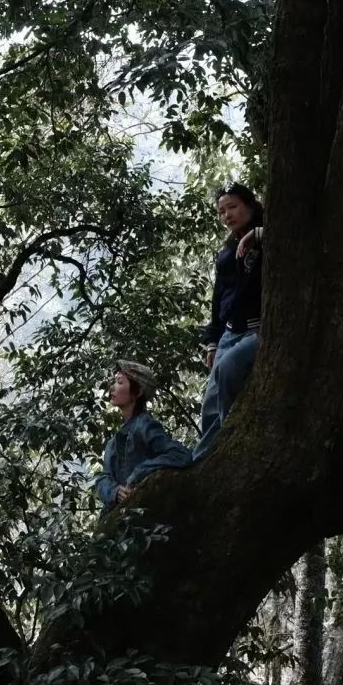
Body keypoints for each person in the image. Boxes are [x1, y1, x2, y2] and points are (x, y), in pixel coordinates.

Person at [193, 183, 264, 460]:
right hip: (229, 332)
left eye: (232, 207)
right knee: (209, 401)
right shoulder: (227, 252)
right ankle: (203, 457)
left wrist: (258, 235)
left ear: (249, 205)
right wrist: (212, 341)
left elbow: (297, 242)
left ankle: (224, 447)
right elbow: (218, 298)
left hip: (258, 329)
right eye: (222, 211)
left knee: (227, 370)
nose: (227, 215)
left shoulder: (269, 234)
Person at [95, 361, 191, 508]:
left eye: (119, 382)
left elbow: (180, 454)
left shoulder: (144, 425)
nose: (112, 387)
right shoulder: (113, 442)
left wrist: (140, 472)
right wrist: (114, 492)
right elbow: (103, 478)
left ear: (137, 392)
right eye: (114, 381)